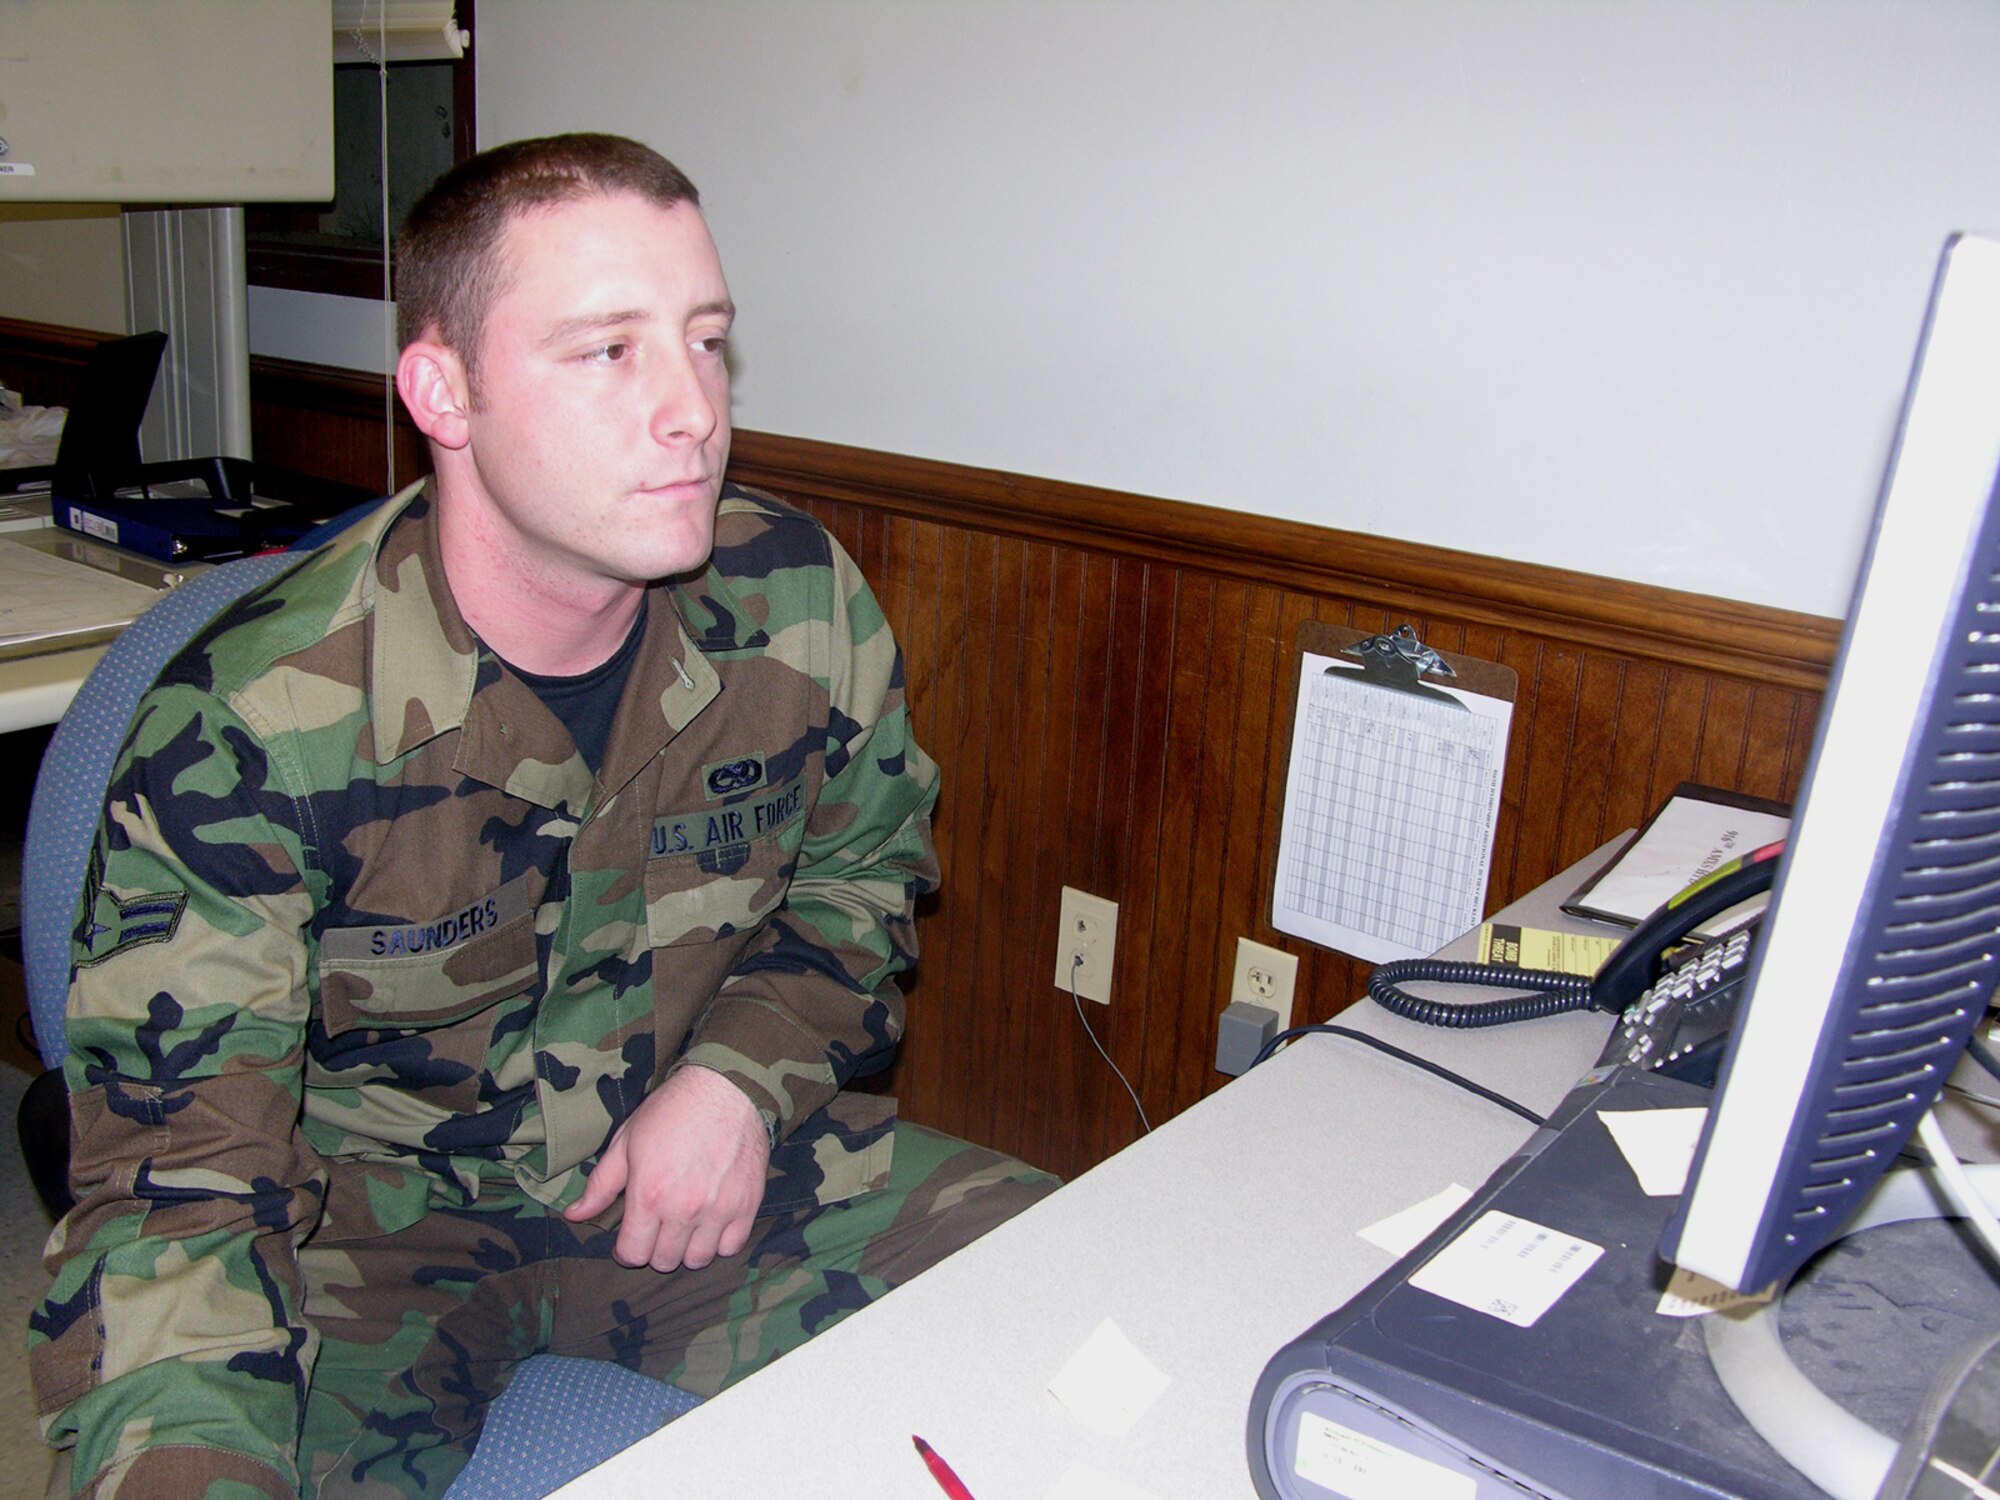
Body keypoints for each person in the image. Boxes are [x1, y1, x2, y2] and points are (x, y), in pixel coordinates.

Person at [29, 133, 1056, 1499]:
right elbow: (183, 1189)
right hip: (358, 1238)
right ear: (442, 392)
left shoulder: (795, 600)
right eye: (609, 351)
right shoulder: (254, 723)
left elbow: (858, 882)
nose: (693, 410)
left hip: (680, 1167)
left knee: (1084, 1304)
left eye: (706, 341)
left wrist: (735, 1081)